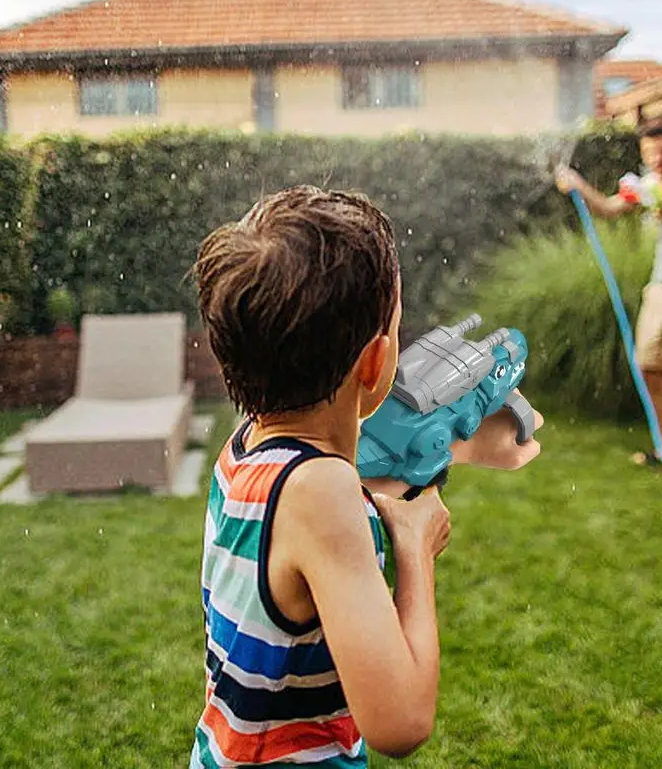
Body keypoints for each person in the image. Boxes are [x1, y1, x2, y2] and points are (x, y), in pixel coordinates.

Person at [187, 185, 543, 768]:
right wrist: (415, 548)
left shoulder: (248, 447)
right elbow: (401, 722)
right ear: (376, 361)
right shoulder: (319, 492)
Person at [555, 120, 662, 500]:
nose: (656, 158)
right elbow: (611, 209)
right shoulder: (647, 182)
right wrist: (577, 184)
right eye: (649, 153)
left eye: (661, 151)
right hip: (660, 284)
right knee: (647, 364)